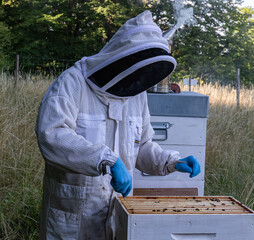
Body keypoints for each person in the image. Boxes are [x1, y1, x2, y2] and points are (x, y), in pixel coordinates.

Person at [35, 10, 200, 240]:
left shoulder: (137, 96)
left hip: (118, 214)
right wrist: (105, 159)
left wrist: (171, 161)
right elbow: (51, 136)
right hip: (72, 219)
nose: (138, 80)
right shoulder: (71, 84)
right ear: (122, 57)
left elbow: (141, 146)